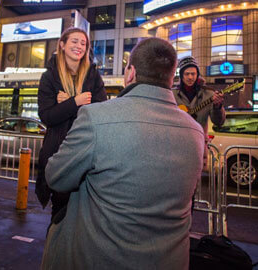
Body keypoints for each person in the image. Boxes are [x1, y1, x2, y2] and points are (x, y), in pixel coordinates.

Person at [41, 37, 205, 270]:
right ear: (171, 78)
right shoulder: (195, 132)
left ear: (131, 73)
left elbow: (56, 177)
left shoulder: (96, 117)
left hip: (99, 257)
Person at [35, 27, 107, 220]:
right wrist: (75, 102)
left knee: (86, 218)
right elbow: (47, 116)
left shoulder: (93, 76)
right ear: (62, 44)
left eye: (83, 43)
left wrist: (69, 103)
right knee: (60, 214)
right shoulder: (49, 77)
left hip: (88, 153)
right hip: (60, 153)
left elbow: (102, 112)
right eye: (74, 41)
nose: (79, 46)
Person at [172, 56, 226, 170]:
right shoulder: (172, 94)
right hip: (177, 146)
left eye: (193, 73)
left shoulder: (208, 94)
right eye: (187, 74)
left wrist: (218, 106)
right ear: (181, 75)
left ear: (197, 74)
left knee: (196, 184)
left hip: (198, 147)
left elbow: (218, 122)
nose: (190, 77)